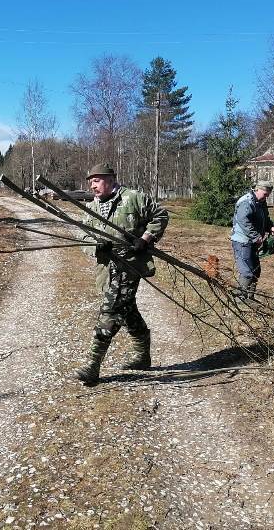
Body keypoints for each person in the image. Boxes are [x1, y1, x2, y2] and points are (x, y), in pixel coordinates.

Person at [73, 163, 169, 385]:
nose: (92, 185)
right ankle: (143, 355)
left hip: (130, 266)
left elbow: (160, 215)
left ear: (109, 179)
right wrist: (97, 247)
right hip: (106, 270)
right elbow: (83, 238)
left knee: (111, 311)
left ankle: (92, 365)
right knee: (127, 311)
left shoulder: (134, 198)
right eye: (90, 182)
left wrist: (145, 239)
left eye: (96, 180)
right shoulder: (92, 208)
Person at [231, 180, 274, 299]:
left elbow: (265, 217)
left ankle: (250, 297)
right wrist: (255, 236)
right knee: (247, 272)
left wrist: (270, 226)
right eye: (265, 194)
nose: (266, 196)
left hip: (253, 241)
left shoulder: (260, 201)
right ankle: (240, 299)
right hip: (242, 241)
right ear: (257, 190)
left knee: (256, 271)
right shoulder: (246, 201)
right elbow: (243, 221)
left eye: (268, 194)